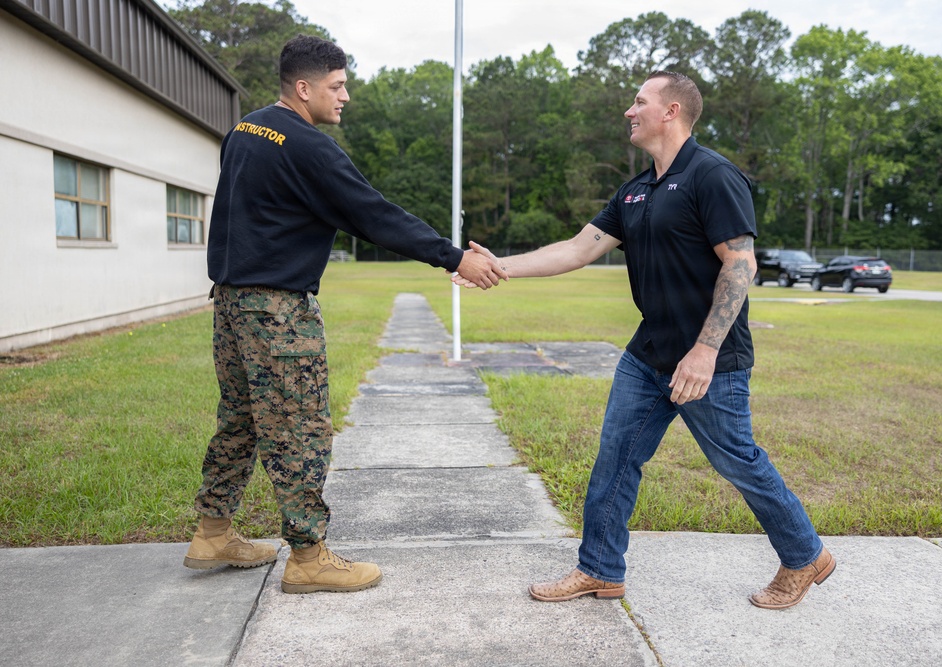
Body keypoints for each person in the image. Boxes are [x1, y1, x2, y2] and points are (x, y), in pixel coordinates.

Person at [456, 71, 834, 610]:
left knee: (737, 462)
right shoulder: (635, 189)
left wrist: (704, 351)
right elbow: (576, 249)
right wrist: (498, 267)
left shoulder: (713, 176)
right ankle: (600, 570)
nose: (629, 112)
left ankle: (805, 556)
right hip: (647, 354)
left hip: (710, 359)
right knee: (616, 456)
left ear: (672, 110)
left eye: (639, 102)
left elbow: (740, 264)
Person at [183, 34, 506, 594]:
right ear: (303, 88)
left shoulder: (244, 131)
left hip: (231, 304)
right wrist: (454, 257)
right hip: (277, 311)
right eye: (337, 86)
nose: (346, 96)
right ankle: (308, 558)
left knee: (239, 418)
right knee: (298, 429)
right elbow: (373, 214)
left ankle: (213, 530)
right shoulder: (308, 147)